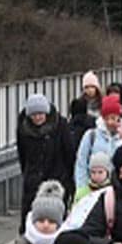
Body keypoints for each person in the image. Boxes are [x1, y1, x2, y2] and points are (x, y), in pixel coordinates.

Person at [16, 94, 75, 232]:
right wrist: (28, 175)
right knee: (31, 220)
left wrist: (69, 180)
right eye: (34, 115)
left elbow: (69, 152)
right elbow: (22, 155)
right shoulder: (23, 129)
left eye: (40, 114)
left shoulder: (60, 125)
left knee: (55, 220)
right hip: (33, 180)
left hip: (57, 179)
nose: (37, 118)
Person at [74, 95, 122, 196]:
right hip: (94, 189)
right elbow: (81, 162)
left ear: (119, 118)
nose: (109, 122)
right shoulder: (91, 135)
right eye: (106, 118)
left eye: (113, 118)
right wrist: (82, 188)